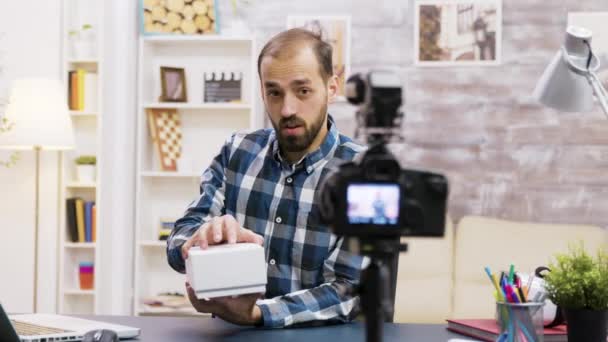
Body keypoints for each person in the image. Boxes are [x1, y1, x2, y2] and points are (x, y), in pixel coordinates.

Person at [166, 28, 366, 328]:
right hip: (231, 337)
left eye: (303, 91)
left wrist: (258, 314)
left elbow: (349, 291)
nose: (287, 109)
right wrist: (198, 241)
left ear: (332, 88)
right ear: (262, 92)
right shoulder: (237, 151)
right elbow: (179, 238)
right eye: (274, 92)